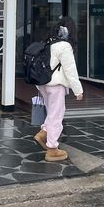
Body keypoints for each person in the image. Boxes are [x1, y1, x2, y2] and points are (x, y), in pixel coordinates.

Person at [33, 16, 84, 162]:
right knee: (56, 115)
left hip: (43, 83)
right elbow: (70, 70)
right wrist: (78, 90)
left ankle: (44, 133)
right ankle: (52, 149)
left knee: (52, 112)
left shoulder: (48, 42)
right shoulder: (64, 46)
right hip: (55, 85)